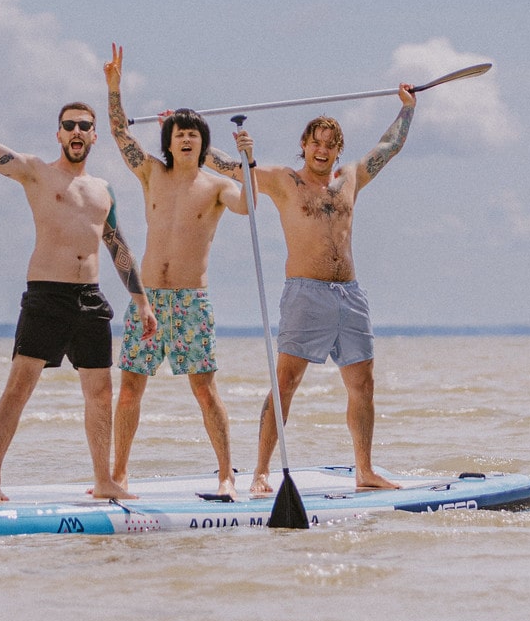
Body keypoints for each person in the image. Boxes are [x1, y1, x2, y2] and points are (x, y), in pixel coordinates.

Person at [0, 57, 155, 502]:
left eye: (85, 125)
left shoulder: (103, 189)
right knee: (20, 387)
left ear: (94, 135)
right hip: (46, 294)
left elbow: (118, 246)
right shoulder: (35, 172)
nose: (78, 132)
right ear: (59, 133)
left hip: (90, 298)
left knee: (100, 393)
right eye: (70, 125)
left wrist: (141, 300)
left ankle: (104, 481)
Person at [217, 86, 417, 494]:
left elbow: (389, 146)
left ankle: (365, 471)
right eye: (316, 143)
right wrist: (191, 132)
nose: (322, 151)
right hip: (305, 294)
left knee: (363, 385)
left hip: (350, 296)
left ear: (338, 151)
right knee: (285, 382)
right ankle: (260, 472)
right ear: (304, 147)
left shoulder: (350, 179)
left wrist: (407, 109)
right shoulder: (282, 180)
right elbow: (230, 168)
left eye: (330, 145)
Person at [103, 44, 248, 498]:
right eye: (178, 132)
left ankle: (226, 473)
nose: (185, 138)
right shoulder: (150, 173)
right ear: (167, 141)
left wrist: (243, 154)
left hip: (190, 300)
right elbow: (119, 134)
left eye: (193, 133)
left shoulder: (219, 183)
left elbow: (251, 200)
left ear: (204, 142)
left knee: (204, 390)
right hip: (147, 302)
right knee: (129, 390)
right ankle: (119, 474)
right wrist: (114, 88)